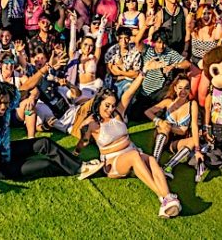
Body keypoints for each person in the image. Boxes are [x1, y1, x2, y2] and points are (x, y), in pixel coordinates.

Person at [0, 73, 102, 182]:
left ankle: (81, 167)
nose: (4, 107)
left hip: (7, 150)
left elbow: (26, 87)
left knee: (44, 142)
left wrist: (44, 69)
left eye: (6, 103)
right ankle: (77, 169)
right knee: (44, 164)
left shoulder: (7, 105)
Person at [76, 68, 181, 218]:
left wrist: (143, 73)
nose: (110, 109)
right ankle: (163, 198)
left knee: (151, 159)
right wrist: (77, 153)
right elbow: (83, 142)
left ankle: (168, 197)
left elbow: (130, 92)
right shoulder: (92, 123)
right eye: (107, 105)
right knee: (135, 156)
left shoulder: (118, 113)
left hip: (132, 154)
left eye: (112, 105)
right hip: (113, 163)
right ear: (98, 103)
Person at [144, 75, 201, 178]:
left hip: (176, 143)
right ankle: (154, 164)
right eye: (180, 88)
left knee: (193, 140)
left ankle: (168, 166)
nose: (183, 91)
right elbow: (148, 112)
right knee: (164, 127)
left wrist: (197, 150)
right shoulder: (168, 102)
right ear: (175, 88)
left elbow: (190, 128)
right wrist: (159, 121)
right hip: (163, 136)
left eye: (187, 88)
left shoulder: (192, 105)